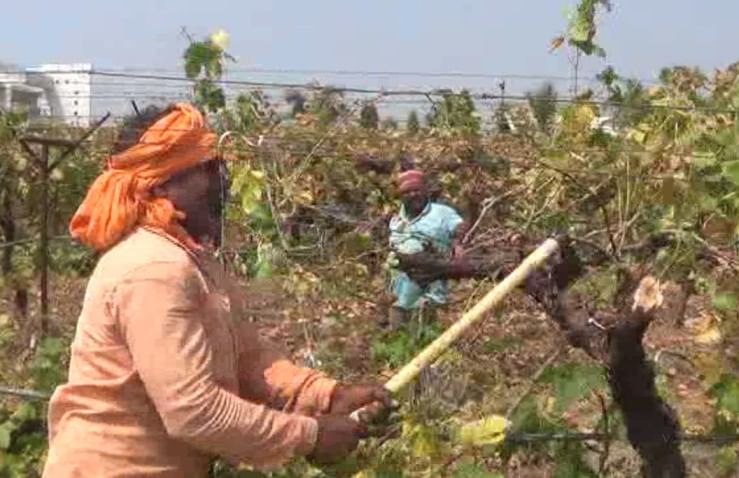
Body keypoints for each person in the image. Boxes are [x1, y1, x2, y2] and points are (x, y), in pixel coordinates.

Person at [42, 103, 390, 477]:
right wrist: (309, 435)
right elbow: (192, 411)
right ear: (161, 183)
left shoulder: (191, 260)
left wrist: (328, 396)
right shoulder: (154, 271)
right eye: (205, 168)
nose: (221, 181)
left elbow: (248, 359)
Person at [386, 168, 469, 327]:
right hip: (397, 295)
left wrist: (458, 244)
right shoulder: (396, 220)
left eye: (416, 190)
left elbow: (461, 229)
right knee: (398, 338)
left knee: (425, 336)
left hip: (429, 294)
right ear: (401, 196)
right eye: (407, 192)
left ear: (425, 191)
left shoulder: (443, 214)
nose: (412, 195)